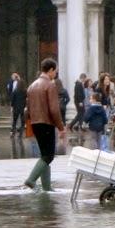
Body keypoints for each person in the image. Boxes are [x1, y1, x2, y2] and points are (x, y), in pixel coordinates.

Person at [23, 58, 66, 192]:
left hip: (35, 122)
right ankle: (31, 180)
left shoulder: (32, 86)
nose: (56, 74)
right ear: (51, 70)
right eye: (56, 71)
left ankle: (47, 187)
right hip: (46, 123)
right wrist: (61, 127)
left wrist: (29, 124)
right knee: (49, 156)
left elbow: (27, 109)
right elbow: (54, 109)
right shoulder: (50, 85)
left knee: (44, 155)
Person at [7, 72, 27, 137]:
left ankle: (12, 132)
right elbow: (26, 99)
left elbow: (12, 100)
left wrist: (12, 107)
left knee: (14, 121)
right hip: (22, 108)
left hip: (16, 108)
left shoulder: (15, 91)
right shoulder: (25, 91)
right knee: (22, 121)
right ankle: (21, 133)